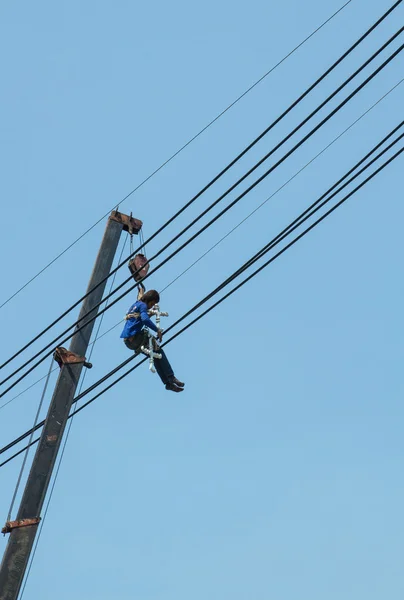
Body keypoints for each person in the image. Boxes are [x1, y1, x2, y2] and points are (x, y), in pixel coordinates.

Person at [120, 289, 185, 393]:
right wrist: (157, 330)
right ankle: (171, 377)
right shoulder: (143, 306)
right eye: (153, 303)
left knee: (155, 355)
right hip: (136, 338)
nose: (151, 306)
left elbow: (140, 317)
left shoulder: (136, 305)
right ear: (150, 300)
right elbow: (145, 319)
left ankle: (168, 384)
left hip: (128, 342)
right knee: (159, 351)